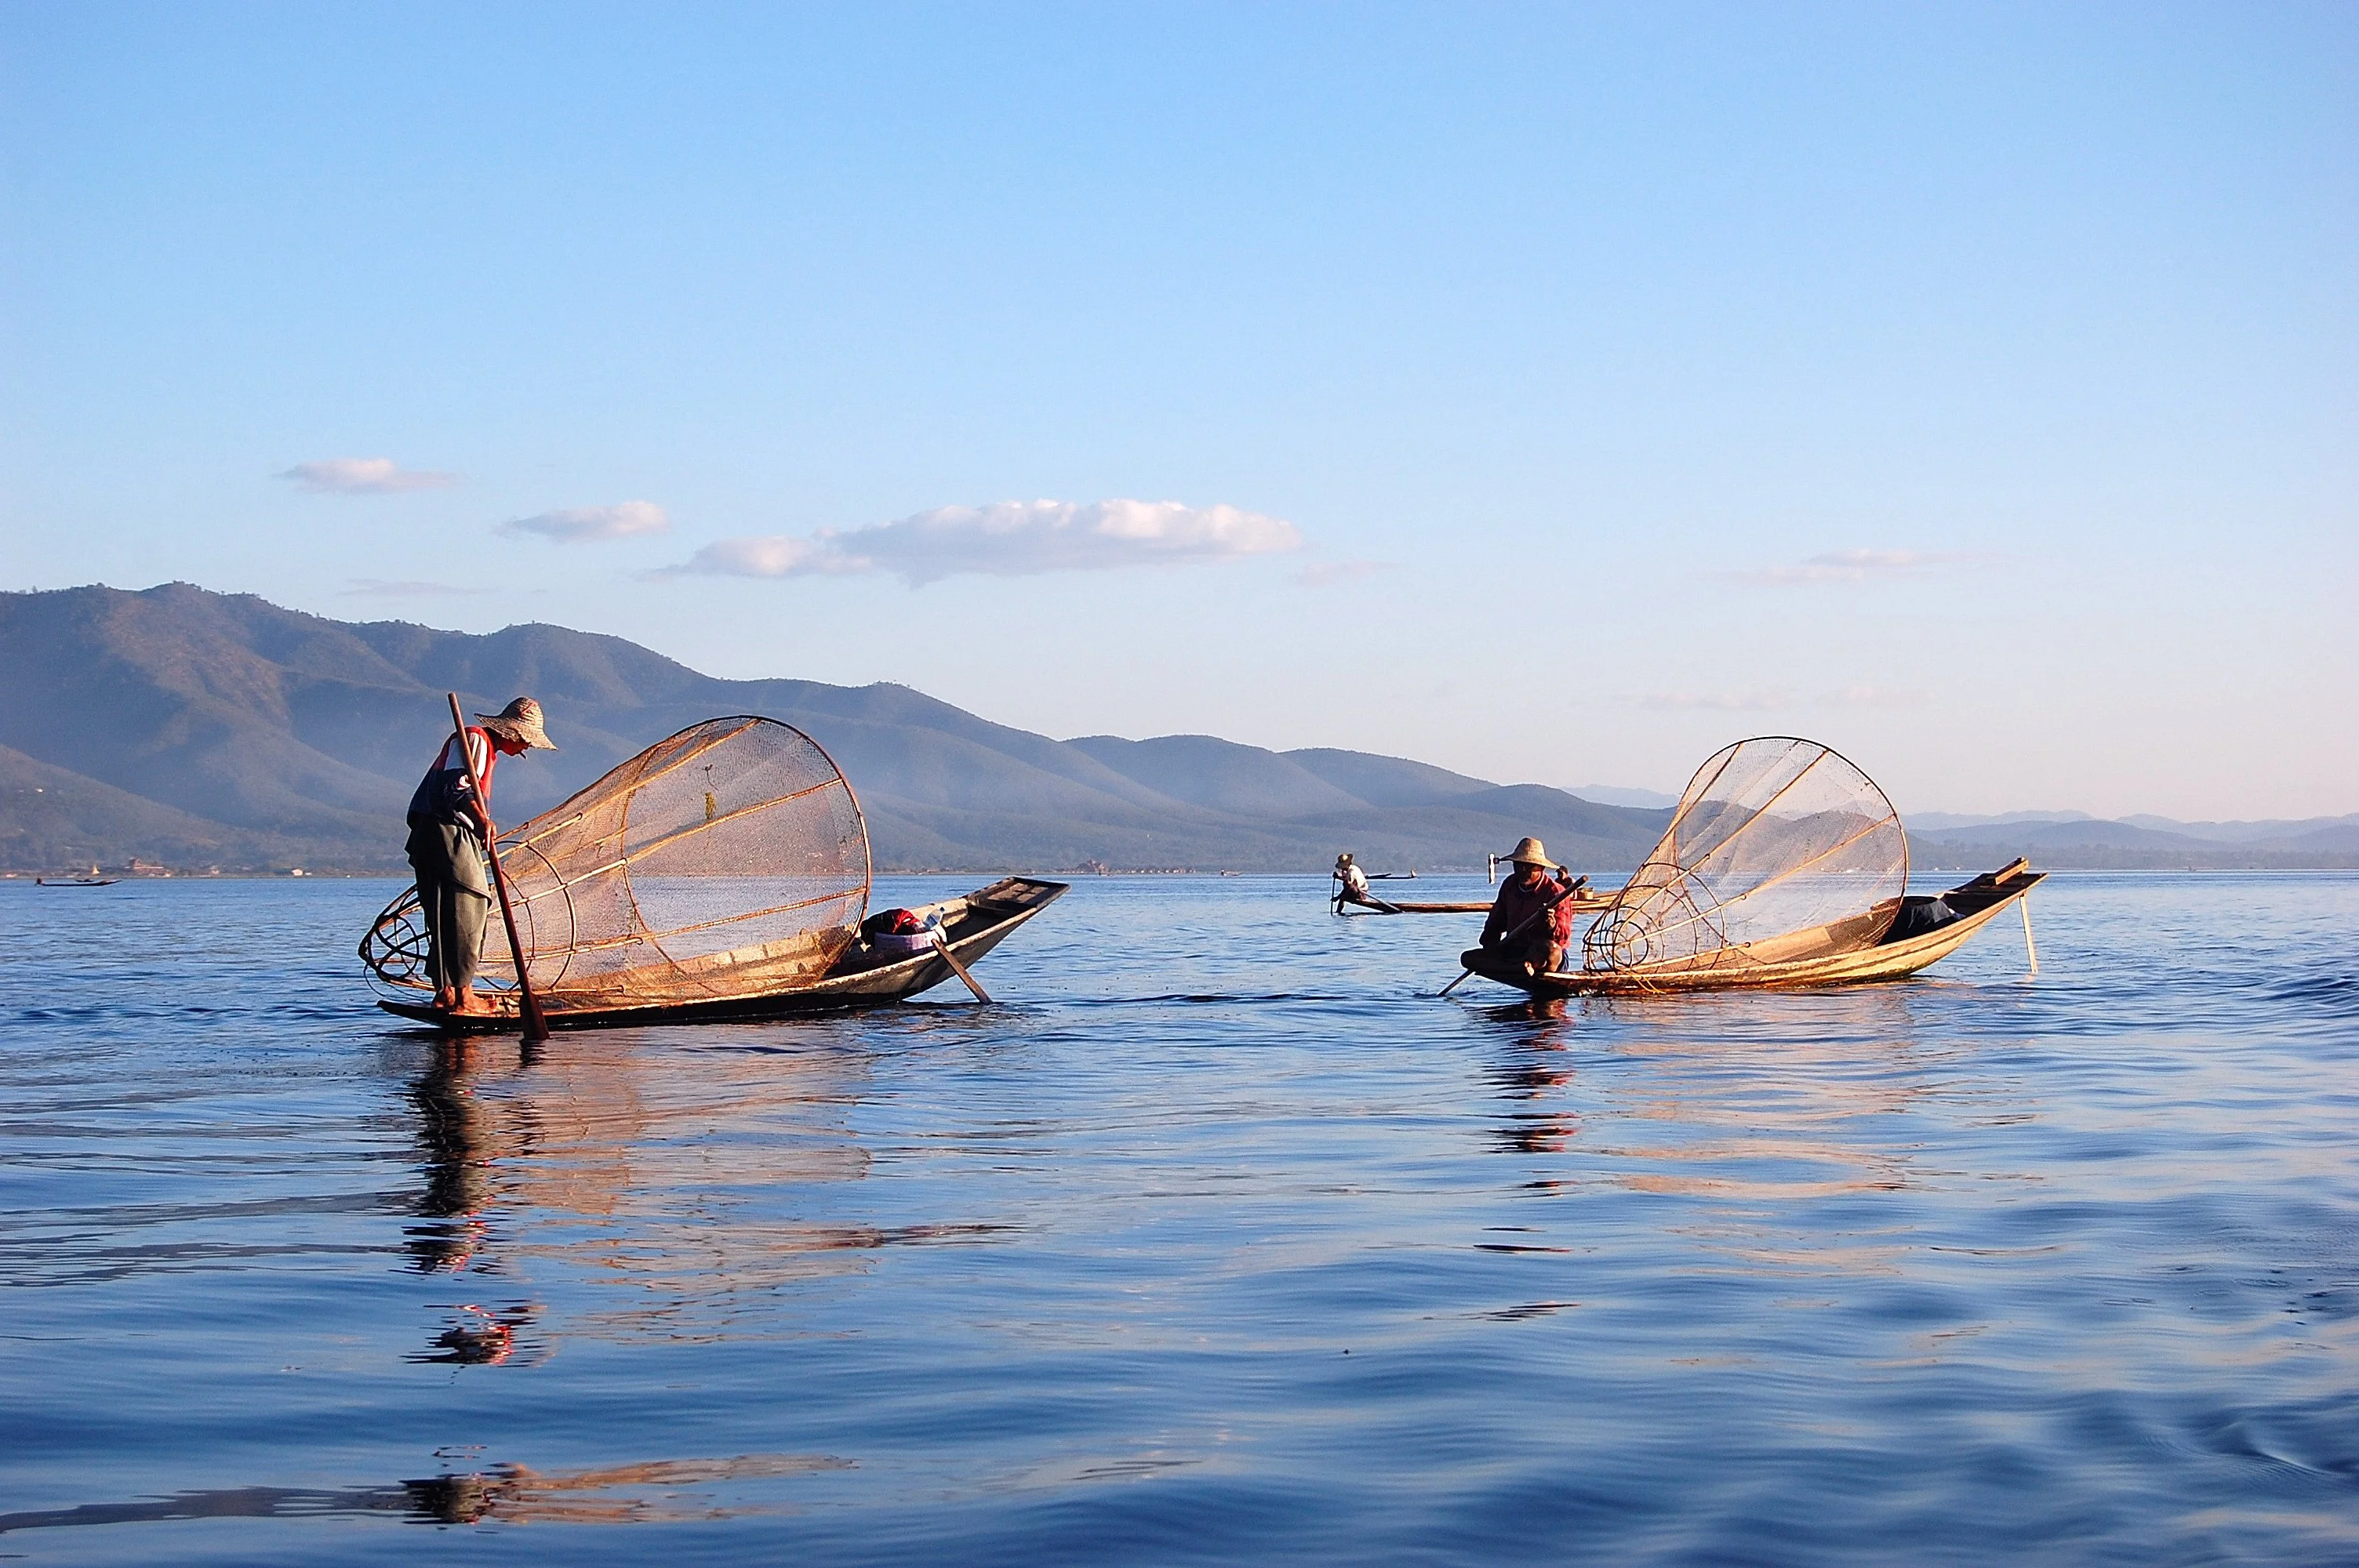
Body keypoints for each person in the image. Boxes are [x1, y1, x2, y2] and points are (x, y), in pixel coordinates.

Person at [405, 697, 556, 1014]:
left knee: (446, 910)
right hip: (445, 830)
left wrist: (479, 822)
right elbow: (456, 788)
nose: (525, 749)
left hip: (435, 832)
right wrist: (481, 819)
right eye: (526, 741)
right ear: (514, 733)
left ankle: (446, 993)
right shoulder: (475, 738)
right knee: (470, 903)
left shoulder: (484, 747)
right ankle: (463, 996)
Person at [1481, 837, 1579, 976]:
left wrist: (1551, 925)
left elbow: (1563, 939)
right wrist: (1489, 945)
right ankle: (1518, 968)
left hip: (1542, 954)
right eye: (1518, 865)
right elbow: (1495, 922)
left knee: (1550, 949)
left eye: (1529, 867)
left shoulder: (1556, 893)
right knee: (1468, 958)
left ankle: (1525, 966)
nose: (1522, 870)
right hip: (1515, 949)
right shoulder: (1510, 885)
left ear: (1541, 868)